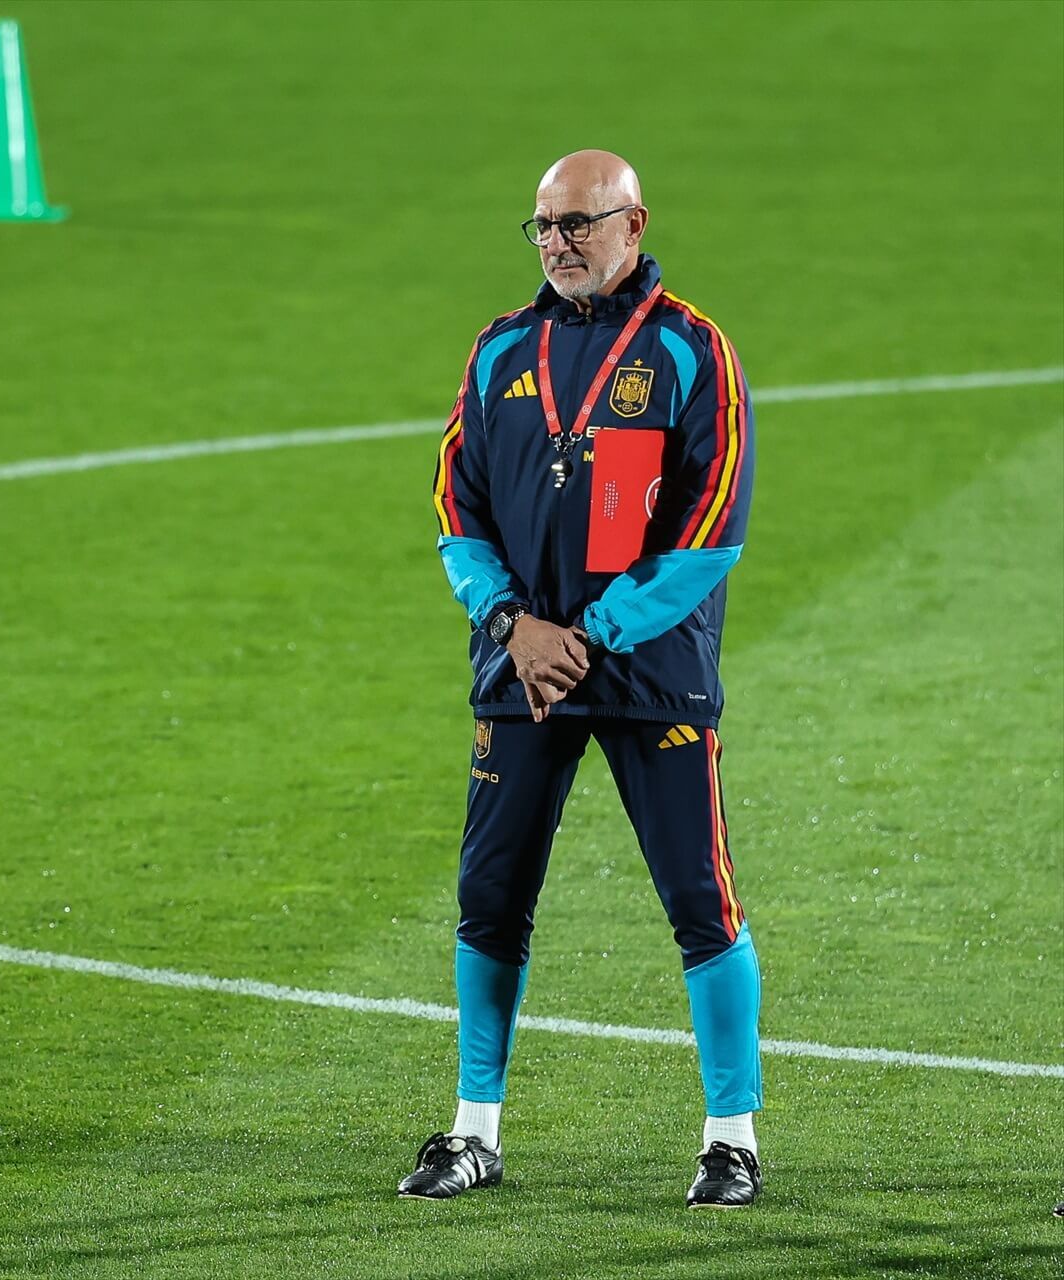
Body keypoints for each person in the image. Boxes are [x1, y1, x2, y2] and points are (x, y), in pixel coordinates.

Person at [399, 151, 762, 1208]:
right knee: (489, 896)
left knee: (701, 896)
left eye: (579, 224)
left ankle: (731, 1138)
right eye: (544, 226)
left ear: (634, 223)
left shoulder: (695, 351)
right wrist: (513, 624)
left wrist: (586, 637)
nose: (559, 242)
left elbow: (710, 526)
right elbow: (454, 505)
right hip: (521, 672)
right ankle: (474, 1131)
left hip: (649, 676)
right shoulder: (499, 349)